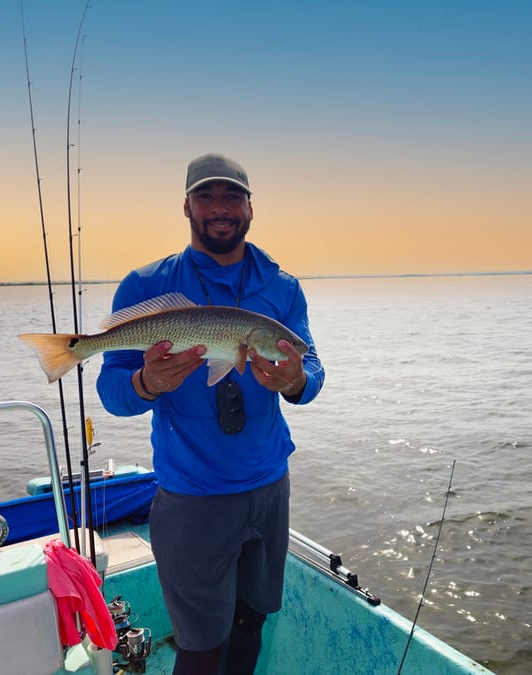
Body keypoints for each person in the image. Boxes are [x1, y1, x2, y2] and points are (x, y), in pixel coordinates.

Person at [97, 153, 325, 675]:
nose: (220, 208)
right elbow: (112, 391)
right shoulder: (146, 285)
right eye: (207, 196)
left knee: (251, 623)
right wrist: (145, 382)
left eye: (231, 197)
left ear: (250, 208)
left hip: (269, 487)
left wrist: (297, 382)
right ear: (186, 206)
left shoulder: (282, 287)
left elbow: (310, 368)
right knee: (201, 645)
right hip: (192, 496)